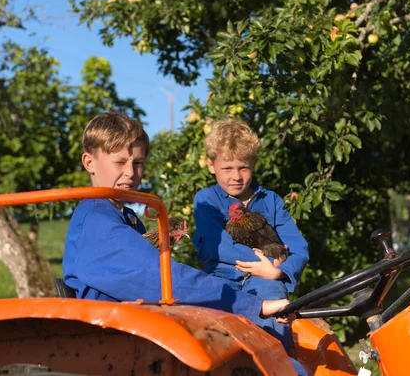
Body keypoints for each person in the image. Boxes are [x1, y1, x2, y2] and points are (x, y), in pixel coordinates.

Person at [62, 111, 290, 323]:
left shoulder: (124, 216)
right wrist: (250, 305)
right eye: (120, 162)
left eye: (138, 163)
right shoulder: (97, 222)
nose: (131, 173)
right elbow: (161, 278)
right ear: (89, 163)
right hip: (120, 332)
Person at [193, 119, 309, 350]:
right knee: (209, 326)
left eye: (243, 168)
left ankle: (279, 363)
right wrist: (267, 258)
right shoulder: (206, 200)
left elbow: (298, 247)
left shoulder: (271, 201)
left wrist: (278, 271)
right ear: (211, 166)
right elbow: (219, 245)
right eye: (227, 168)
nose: (236, 176)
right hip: (222, 277)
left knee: (275, 309)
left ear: (253, 165)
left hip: (265, 278)